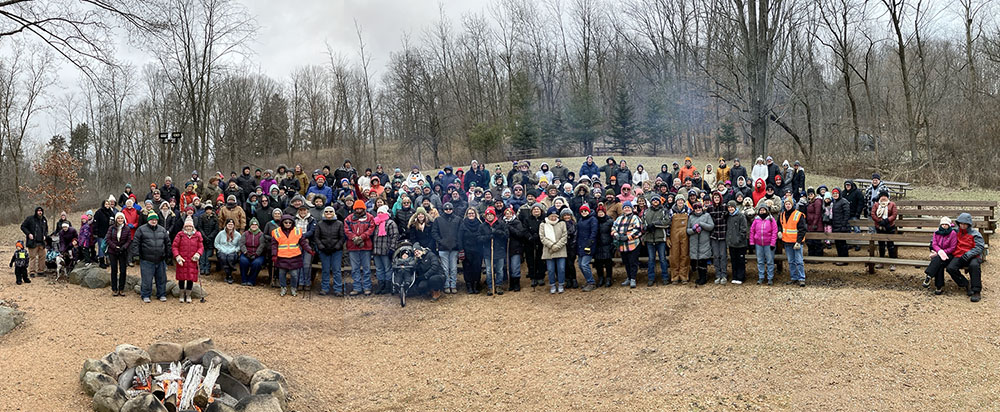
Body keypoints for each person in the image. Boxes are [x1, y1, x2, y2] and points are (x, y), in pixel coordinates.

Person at [129, 212, 170, 302]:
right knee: (147, 279)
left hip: (160, 259)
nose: (154, 221)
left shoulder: (162, 230)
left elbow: (167, 243)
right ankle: (146, 295)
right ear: (148, 220)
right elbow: (136, 243)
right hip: (146, 259)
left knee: (162, 279)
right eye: (152, 219)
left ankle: (161, 294)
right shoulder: (141, 230)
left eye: (155, 220)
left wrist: (168, 255)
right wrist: (136, 255)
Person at [272, 214, 315, 297]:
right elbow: (274, 245)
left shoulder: (297, 231)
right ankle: (283, 287)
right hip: (282, 256)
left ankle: (293, 288)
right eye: (286, 222)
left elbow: (303, 242)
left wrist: (309, 250)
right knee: (281, 274)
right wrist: (274, 255)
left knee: (294, 275)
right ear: (282, 223)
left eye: (289, 222)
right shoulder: (276, 232)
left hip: (294, 256)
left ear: (292, 223)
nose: (288, 224)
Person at [946, 213, 986, 302]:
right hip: (959, 255)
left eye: (965, 224)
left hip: (973, 256)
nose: (962, 225)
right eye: (961, 223)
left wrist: (969, 254)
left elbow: (979, 247)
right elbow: (942, 233)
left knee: (974, 266)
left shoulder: (975, 234)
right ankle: (966, 283)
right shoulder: (955, 232)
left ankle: (976, 291)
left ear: (969, 224)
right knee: (950, 268)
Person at [610, 201, 642, 288]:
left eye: (628, 207)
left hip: (633, 244)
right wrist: (616, 235)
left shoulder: (635, 218)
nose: (626, 209)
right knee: (626, 262)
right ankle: (628, 277)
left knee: (633, 262)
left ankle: (633, 279)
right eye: (625, 208)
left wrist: (628, 237)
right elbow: (614, 228)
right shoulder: (619, 218)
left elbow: (638, 230)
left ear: (631, 208)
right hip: (622, 244)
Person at [172, 217, 203, 303]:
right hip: (182, 260)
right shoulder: (180, 235)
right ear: (184, 227)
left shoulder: (197, 235)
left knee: (190, 278)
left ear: (193, 227)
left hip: (192, 260)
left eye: (190, 226)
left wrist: (198, 254)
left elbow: (201, 247)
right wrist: (177, 256)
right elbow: (174, 246)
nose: (189, 228)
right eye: (187, 226)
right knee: (181, 278)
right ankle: (181, 294)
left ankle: (188, 295)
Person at [432, 203, 461, 294]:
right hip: (443, 247)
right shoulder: (438, 220)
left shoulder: (458, 219)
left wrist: (457, 243)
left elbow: (460, 232)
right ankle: (446, 285)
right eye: (446, 209)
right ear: (443, 210)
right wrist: (441, 241)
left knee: (453, 268)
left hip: (454, 247)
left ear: (453, 209)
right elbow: (434, 232)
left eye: (450, 209)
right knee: (445, 268)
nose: (448, 210)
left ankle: (453, 285)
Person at [642, 195, 670, 286]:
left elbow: (667, 222)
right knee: (651, 260)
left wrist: (654, 224)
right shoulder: (646, 211)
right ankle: (651, 278)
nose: (655, 201)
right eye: (653, 200)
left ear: (659, 201)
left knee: (662, 259)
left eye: (657, 200)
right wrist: (646, 227)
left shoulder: (663, 211)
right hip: (649, 239)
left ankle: (665, 277)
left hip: (660, 238)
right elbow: (643, 223)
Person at [924, 217, 957, 294]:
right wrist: (939, 251)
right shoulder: (936, 232)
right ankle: (939, 287)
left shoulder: (952, 233)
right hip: (938, 253)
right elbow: (934, 244)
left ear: (949, 225)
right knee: (939, 263)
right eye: (943, 224)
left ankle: (929, 275)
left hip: (949, 255)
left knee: (938, 260)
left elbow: (952, 247)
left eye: (946, 224)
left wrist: (942, 252)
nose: (944, 226)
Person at [458, 207, 488, 294]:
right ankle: (469, 286)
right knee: (467, 268)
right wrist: (461, 250)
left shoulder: (480, 224)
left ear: (475, 214)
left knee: (477, 268)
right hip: (466, 250)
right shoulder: (463, 224)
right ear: (466, 215)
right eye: (469, 213)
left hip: (478, 250)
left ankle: (476, 285)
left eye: (472, 213)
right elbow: (459, 238)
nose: (471, 215)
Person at [778, 198, 807, 286]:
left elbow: (802, 229)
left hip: (796, 243)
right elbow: (779, 225)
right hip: (787, 242)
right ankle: (794, 277)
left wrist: (798, 241)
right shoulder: (782, 214)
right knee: (791, 261)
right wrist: (779, 231)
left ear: (793, 205)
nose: (788, 205)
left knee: (799, 261)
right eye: (786, 204)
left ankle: (801, 278)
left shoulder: (798, 215)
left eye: (789, 204)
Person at [540, 206, 569, 293]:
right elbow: (542, 237)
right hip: (549, 250)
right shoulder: (543, 224)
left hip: (560, 249)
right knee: (550, 269)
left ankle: (561, 284)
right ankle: (552, 285)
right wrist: (552, 245)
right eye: (551, 216)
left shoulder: (562, 223)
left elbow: (564, 236)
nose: (553, 218)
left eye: (555, 216)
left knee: (561, 268)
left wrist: (557, 246)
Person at [372, 205, 400, 295]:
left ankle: (388, 285)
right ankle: (381, 285)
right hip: (376, 250)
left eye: (382, 212)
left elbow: (395, 236)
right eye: (378, 212)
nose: (380, 214)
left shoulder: (390, 223)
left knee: (387, 268)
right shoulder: (375, 223)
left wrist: (392, 248)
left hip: (386, 250)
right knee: (379, 269)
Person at [687, 202, 715, 285]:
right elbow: (687, 230)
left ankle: (704, 277)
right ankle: (699, 276)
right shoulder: (691, 217)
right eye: (696, 208)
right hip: (694, 242)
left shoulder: (707, 216)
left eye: (699, 208)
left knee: (703, 260)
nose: (698, 210)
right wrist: (693, 230)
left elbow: (711, 226)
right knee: (697, 261)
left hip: (704, 241)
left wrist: (701, 224)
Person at [482, 206, 508, 295]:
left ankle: (498, 285)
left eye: (491, 214)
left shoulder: (500, 224)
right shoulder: (483, 226)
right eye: (487, 215)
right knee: (489, 270)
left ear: (494, 215)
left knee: (499, 270)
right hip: (488, 251)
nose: (489, 216)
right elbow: (479, 238)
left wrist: (497, 232)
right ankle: (490, 286)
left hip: (499, 250)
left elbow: (506, 235)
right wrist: (488, 237)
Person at [749, 205, 777, 285]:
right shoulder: (756, 220)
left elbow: (774, 232)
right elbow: (752, 231)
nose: (762, 211)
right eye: (761, 210)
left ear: (767, 211)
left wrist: (772, 243)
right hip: (758, 244)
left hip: (768, 244)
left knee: (770, 261)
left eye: (764, 210)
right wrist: (752, 242)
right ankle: (761, 277)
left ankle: (770, 278)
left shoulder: (771, 220)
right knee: (760, 261)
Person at [870, 191, 898, 271]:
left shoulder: (892, 204)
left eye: (885, 196)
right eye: (882, 196)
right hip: (879, 227)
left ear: (887, 197)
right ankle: (881, 262)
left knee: (890, 245)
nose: (883, 198)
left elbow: (894, 214)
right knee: (881, 245)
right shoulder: (876, 204)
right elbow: (873, 214)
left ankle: (892, 263)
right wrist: (879, 221)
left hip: (890, 226)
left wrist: (887, 220)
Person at [105, 212, 131, 295]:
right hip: (113, 251)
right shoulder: (111, 228)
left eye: (121, 218)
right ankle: (114, 289)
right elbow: (108, 239)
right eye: (118, 218)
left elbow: (129, 240)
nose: (120, 220)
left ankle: (121, 288)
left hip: (123, 251)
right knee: (114, 270)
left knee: (123, 270)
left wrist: (123, 247)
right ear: (116, 219)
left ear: (124, 219)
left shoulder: (127, 228)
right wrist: (115, 247)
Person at [522, 202, 546, 287]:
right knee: (531, 260)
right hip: (530, 242)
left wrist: (539, 236)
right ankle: (533, 277)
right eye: (534, 209)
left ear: (541, 210)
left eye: (537, 209)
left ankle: (541, 277)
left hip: (541, 242)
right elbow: (524, 229)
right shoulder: (527, 219)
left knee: (541, 260)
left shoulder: (544, 219)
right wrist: (529, 237)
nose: (536, 210)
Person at [20, 207, 48, 278]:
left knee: (42, 256)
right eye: (38, 211)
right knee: (32, 257)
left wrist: (45, 235)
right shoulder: (30, 219)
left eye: (41, 211)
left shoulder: (44, 219)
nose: (40, 212)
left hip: (41, 242)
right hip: (33, 242)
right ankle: (32, 272)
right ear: (36, 212)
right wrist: (28, 234)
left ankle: (41, 271)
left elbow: (46, 229)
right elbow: (23, 226)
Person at [725, 201, 748, 284]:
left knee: (740, 261)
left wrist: (739, 239)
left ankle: (741, 277)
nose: (730, 209)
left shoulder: (741, 216)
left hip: (740, 244)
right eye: (729, 207)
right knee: (733, 261)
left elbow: (744, 229)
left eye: (732, 207)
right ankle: (735, 276)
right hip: (731, 243)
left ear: (735, 207)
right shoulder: (728, 217)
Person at [669, 197, 691, 283]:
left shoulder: (688, 210)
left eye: (682, 200)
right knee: (674, 256)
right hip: (674, 236)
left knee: (684, 255)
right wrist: (667, 237)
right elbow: (669, 225)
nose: (680, 202)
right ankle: (674, 276)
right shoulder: (671, 211)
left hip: (685, 236)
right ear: (676, 202)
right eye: (678, 200)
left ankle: (684, 276)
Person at [708, 192, 729, 284]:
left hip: (723, 235)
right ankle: (718, 274)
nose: (716, 198)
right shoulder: (710, 208)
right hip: (714, 235)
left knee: (723, 255)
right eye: (715, 197)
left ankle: (724, 274)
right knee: (716, 256)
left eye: (718, 197)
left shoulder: (725, 207)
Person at [593, 204, 615, 287]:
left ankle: (609, 278)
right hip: (598, 245)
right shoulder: (595, 221)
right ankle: (601, 278)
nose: (600, 213)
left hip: (607, 244)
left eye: (602, 212)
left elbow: (613, 232)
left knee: (608, 263)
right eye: (599, 212)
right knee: (598, 263)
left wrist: (612, 244)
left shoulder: (609, 221)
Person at [215, 219, 242, 284]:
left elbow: (239, 245)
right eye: (229, 224)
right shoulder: (221, 233)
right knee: (223, 258)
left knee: (230, 258)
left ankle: (228, 274)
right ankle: (229, 275)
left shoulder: (238, 235)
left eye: (232, 224)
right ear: (226, 225)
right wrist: (220, 249)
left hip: (232, 251)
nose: (230, 226)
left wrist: (235, 250)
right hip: (222, 250)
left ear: (234, 226)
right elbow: (216, 243)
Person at [830, 188, 852, 261]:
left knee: (842, 244)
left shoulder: (844, 202)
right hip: (835, 226)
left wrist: (843, 225)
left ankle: (844, 259)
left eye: (836, 193)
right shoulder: (834, 202)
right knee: (838, 243)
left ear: (839, 194)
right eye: (833, 194)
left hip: (842, 226)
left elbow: (847, 214)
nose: (835, 195)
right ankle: (840, 258)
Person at [94, 198, 115, 268]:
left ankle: (108, 261)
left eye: (108, 204)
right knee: (101, 247)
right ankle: (101, 262)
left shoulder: (111, 212)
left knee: (108, 247)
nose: (107, 205)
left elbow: (114, 222)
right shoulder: (99, 212)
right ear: (103, 204)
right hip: (101, 233)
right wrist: (95, 232)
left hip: (109, 232)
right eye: (106, 204)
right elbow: (95, 223)